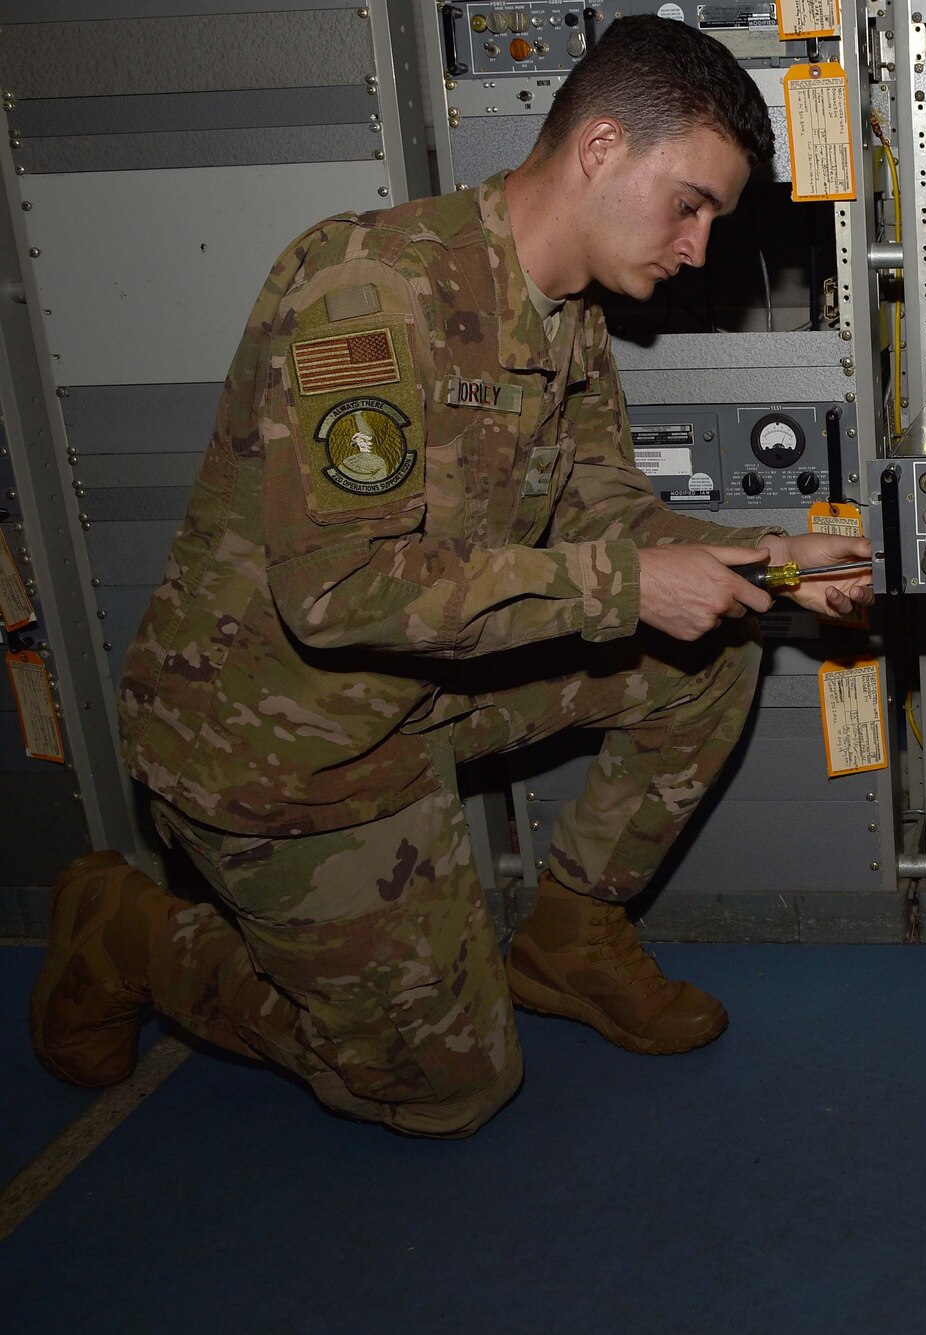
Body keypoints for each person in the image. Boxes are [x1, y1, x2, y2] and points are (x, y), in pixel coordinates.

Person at [29, 16, 873, 1137]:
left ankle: (568, 939)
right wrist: (628, 589)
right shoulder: (365, 289)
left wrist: (763, 566)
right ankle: (128, 931)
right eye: (690, 203)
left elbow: (600, 502)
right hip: (281, 751)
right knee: (449, 1090)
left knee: (708, 648)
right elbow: (338, 594)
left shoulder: (565, 318)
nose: (698, 247)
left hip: (423, 693)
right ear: (601, 146)